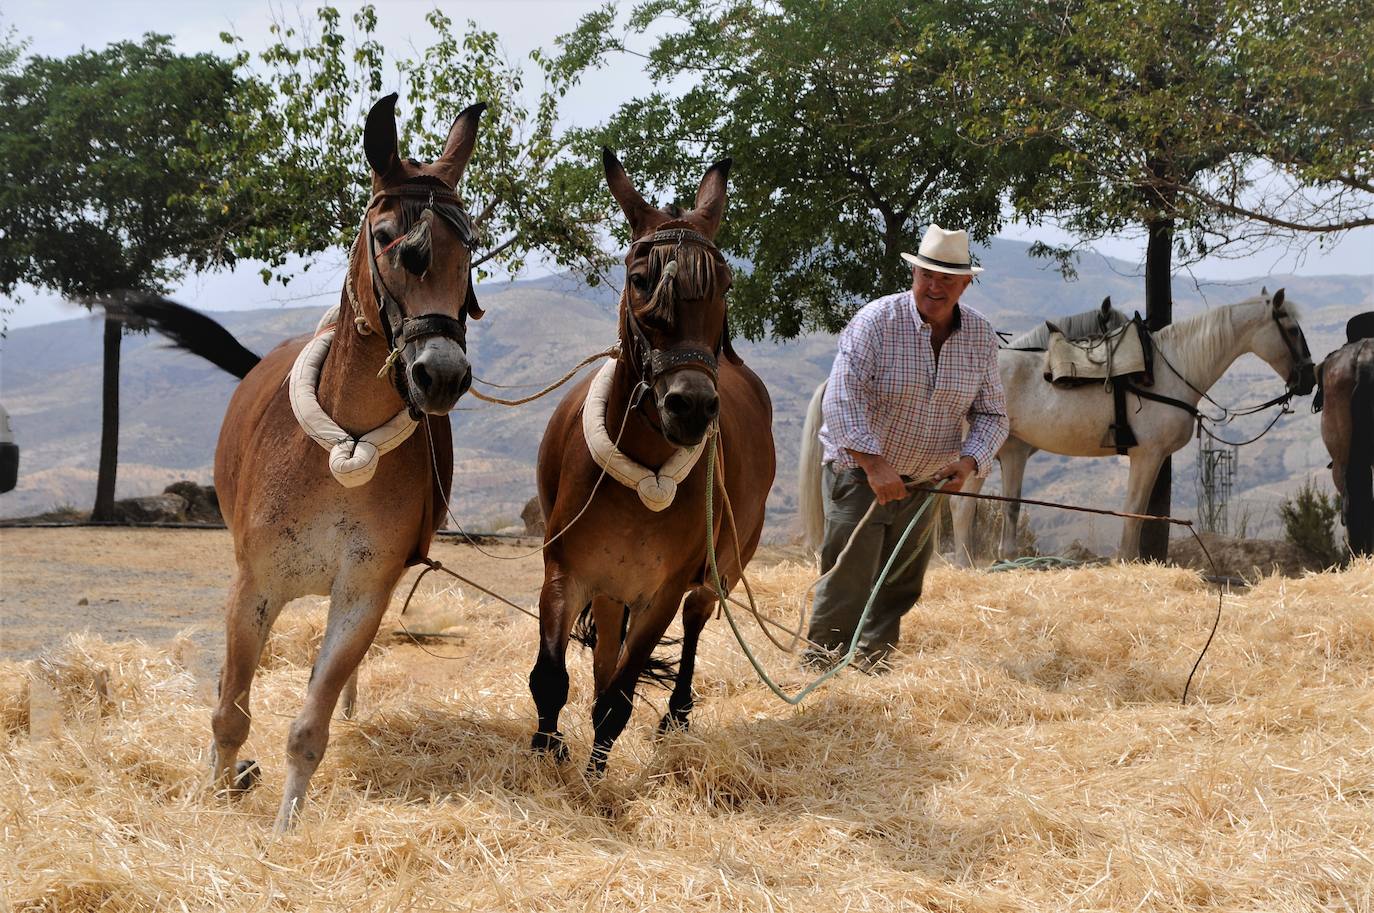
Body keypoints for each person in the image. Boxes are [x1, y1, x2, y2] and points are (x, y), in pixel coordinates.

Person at [804, 224, 1010, 673]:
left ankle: (873, 666)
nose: (934, 287)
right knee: (848, 578)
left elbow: (993, 414)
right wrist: (874, 465)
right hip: (859, 475)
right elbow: (840, 399)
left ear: (965, 284)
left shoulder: (979, 336)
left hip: (925, 482)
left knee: (902, 581)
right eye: (926, 275)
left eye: (946, 280)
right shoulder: (877, 321)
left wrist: (970, 461)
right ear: (914, 273)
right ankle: (821, 667)